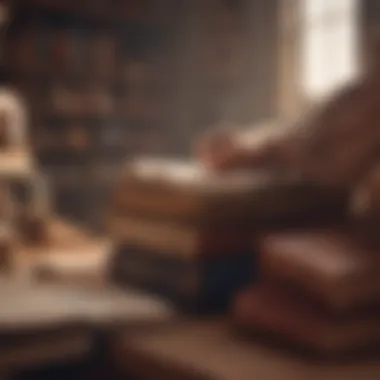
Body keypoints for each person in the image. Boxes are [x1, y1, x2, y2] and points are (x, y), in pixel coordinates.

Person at [196, 43, 380, 192]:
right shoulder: (356, 93)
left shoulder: (366, 110)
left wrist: (285, 150)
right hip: (291, 142)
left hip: (300, 151)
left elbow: (335, 170)